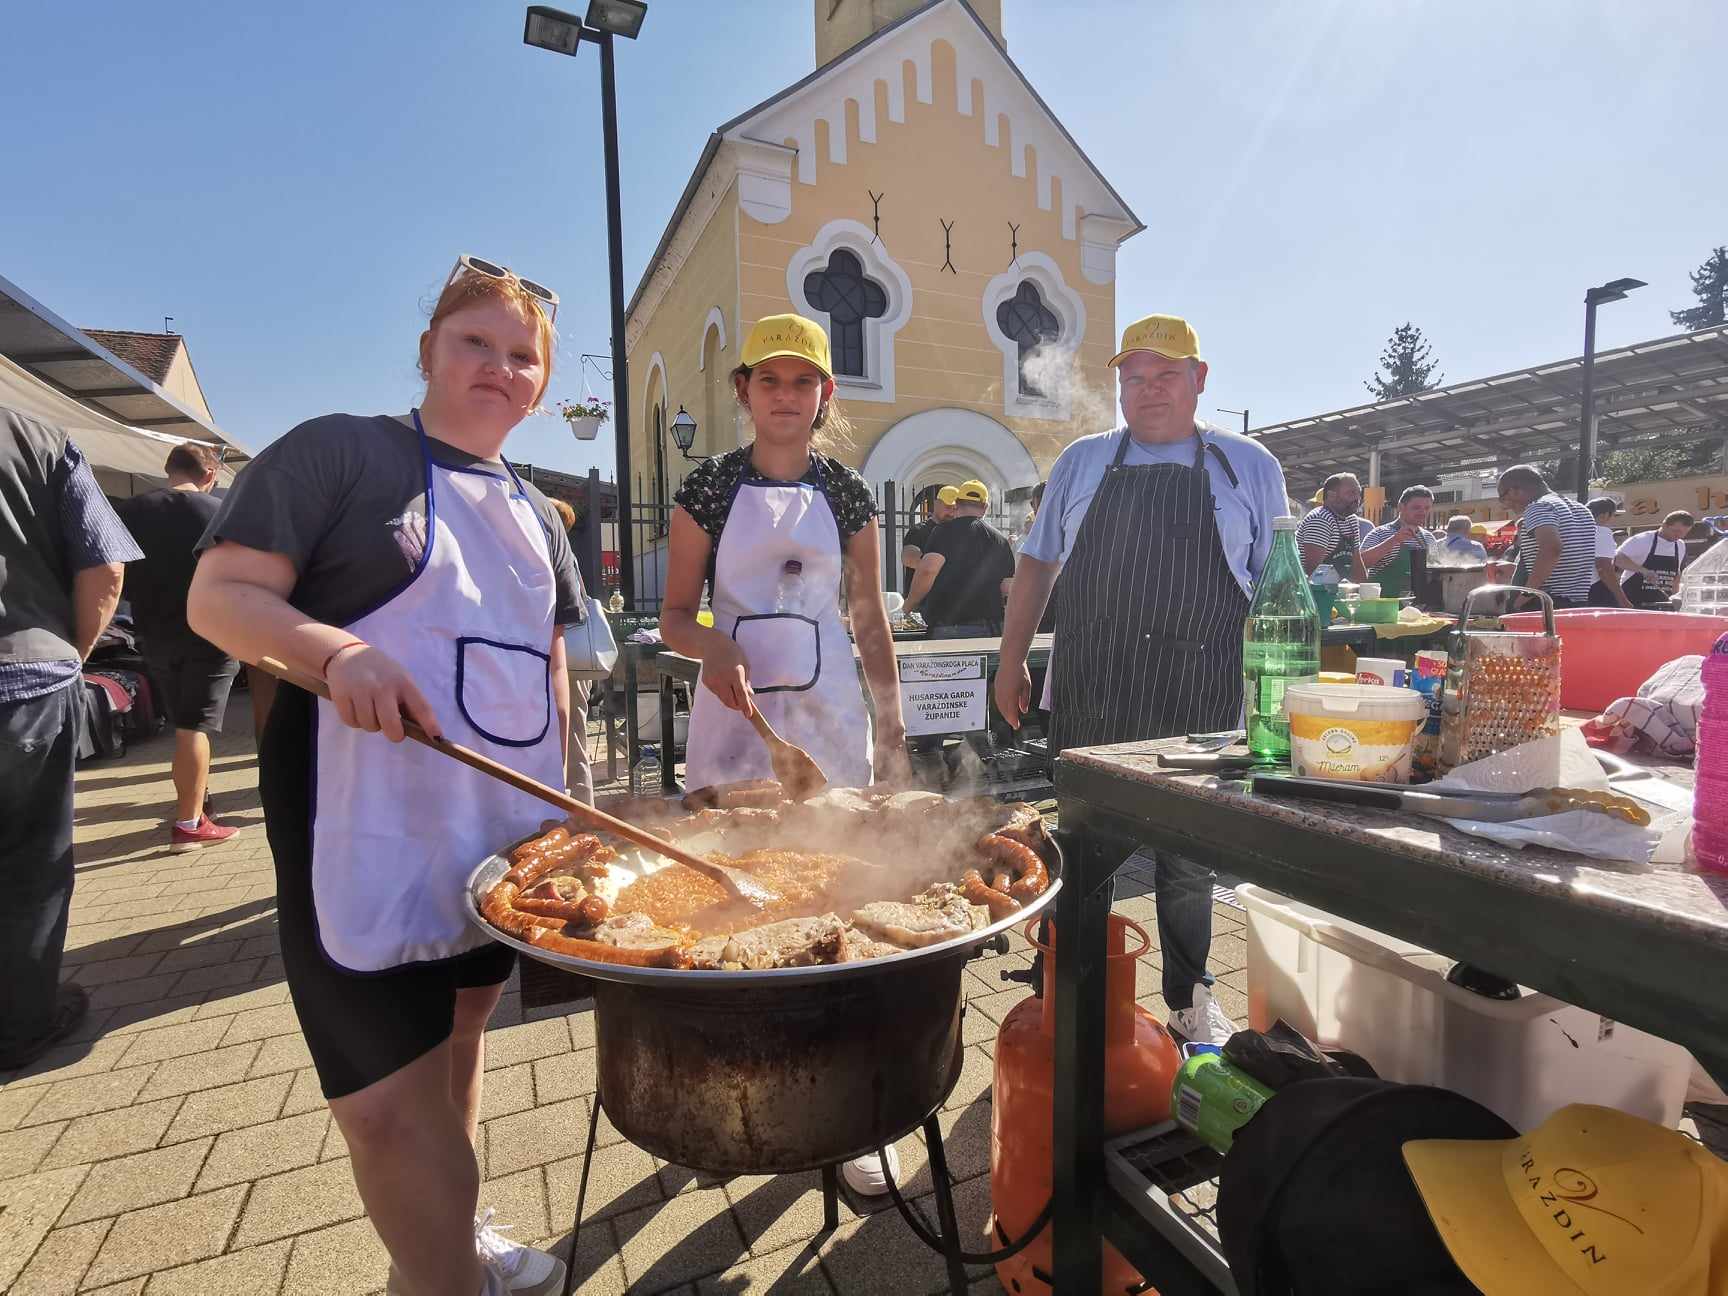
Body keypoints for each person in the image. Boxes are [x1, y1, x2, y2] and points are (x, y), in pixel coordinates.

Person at [188, 260, 587, 1296]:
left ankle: (450, 1252)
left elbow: (550, 672)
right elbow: (219, 596)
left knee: (457, 1052)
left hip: (499, 854)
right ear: (427, 350)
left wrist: (579, 802)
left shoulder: (539, 515)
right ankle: (441, 1275)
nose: (498, 368)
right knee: (384, 1109)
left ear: (540, 384)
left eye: (521, 356)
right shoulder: (338, 454)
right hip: (363, 842)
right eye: (474, 343)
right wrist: (336, 656)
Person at [660, 313, 908, 1193]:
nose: (787, 397)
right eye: (770, 381)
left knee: (843, 898)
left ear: (824, 396)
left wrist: (892, 726)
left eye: (803, 383)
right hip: (736, 722)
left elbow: (870, 618)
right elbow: (672, 618)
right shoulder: (710, 489)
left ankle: (853, 1116)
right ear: (744, 393)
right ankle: (730, 1099)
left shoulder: (847, 492)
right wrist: (708, 647)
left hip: (830, 718)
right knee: (731, 905)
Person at [995, 313, 1288, 1044]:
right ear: (1118, 385)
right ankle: (1060, 992)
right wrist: (1011, 661)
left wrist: (1274, 701)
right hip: (1096, 687)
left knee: (1188, 861)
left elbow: (1278, 591)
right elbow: (1037, 564)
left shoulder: (1247, 464)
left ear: (1199, 380)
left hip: (1202, 694)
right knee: (1080, 850)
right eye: (1134, 378)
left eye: (1165, 375)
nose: (1148, 390)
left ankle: (1190, 1001)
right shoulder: (1083, 461)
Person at [0, 406, 142, 1069]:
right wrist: (70, 658)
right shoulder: (35, 435)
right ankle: (22, 1024)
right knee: (30, 862)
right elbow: (105, 570)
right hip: (23, 678)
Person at [115, 442, 244, 850]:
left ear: (168, 469)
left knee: (182, 723)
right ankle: (189, 823)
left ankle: (197, 803)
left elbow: (111, 570)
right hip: (211, 631)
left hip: (152, 632)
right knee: (193, 727)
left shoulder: (128, 512)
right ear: (209, 475)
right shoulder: (219, 513)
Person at [903, 479, 1016, 637]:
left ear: (957, 503)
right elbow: (1007, 588)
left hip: (947, 625)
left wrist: (908, 605)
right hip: (990, 627)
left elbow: (928, 570)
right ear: (985, 507)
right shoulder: (1000, 540)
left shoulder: (943, 531)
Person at [1496, 464, 1597, 608]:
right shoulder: (1581, 509)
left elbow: (1551, 549)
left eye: (1503, 498)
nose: (1506, 506)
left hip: (1545, 603)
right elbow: (1567, 557)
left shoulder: (1538, 507)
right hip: (1578, 602)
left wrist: (1526, 595)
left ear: (1515, 491)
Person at [1359, 484, 1436, 597]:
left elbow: (1435, 568)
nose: (1422, 512)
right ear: (1400, 507)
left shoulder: (1429, 538)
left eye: (1427, 508)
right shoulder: (1380, 533)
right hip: (1383, 606)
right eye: (1416, 507)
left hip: (1417, 606)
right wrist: (1394, 540)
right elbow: (1360, 563)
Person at [1296, 472, 1370, 580]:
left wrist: (1365, 592)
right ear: (1331, 496)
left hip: (1339, 590)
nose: (1357, 498)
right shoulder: (1320, 519)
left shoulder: (1351, 520)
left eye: (1359, 493)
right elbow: (1312, 573)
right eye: (1351, 493)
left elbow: (1357, 563)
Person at [1616, 510, 1695, 608]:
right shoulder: (1642, 540)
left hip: (1662, 603)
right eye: (1676, 531)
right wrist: (1643, 571)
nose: (1680, 536)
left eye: (1685, 532)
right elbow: (1617, 559)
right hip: (1633, 600)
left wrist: (1676, 597)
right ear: (1664, 525)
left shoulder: (1680, 545)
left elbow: (1676, 575)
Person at [901, 485, 956, 591]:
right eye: (948, 507)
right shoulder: (919, 530)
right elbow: (908, 557)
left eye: (955, 509)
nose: (951, 513)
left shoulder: (958, 532)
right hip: (921, 604)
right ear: (936, 504)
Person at [1585, 497, 1635, 608]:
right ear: (1605, 515)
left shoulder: (1576, 532)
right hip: (1596, 590)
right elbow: (1604, 568)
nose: (1614, 519)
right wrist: (1622, 599)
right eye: (1614, 515)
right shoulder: (1602, 532)